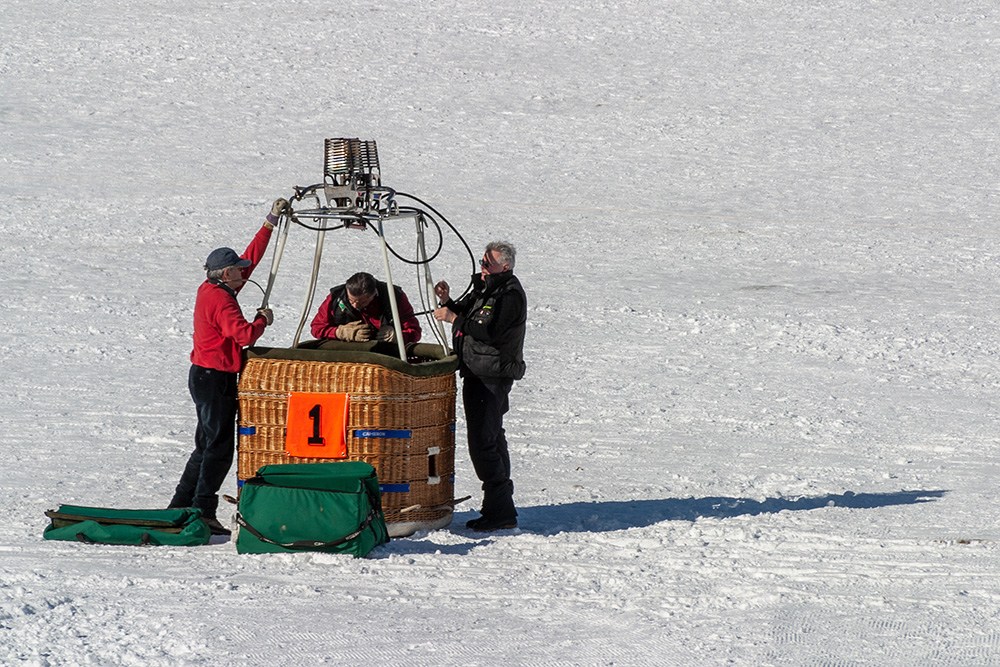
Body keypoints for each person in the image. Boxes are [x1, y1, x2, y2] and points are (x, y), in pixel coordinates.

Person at [168, 199, 285, 536]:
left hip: (204, 376)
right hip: (215, 379)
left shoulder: (214, 288)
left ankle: (180, 505)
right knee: (218, 448)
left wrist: (270, 223)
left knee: (205, 444)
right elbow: (243, 334)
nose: (243, 272)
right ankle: (203, 510)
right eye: (238, 270)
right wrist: (263, 320)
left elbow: (253, 257)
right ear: (226, 274)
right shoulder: (221, 299)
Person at [434, 241, 526, 532]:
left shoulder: (509, 294)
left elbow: (489, 331)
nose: (482, 267)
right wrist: (448, 302)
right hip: (478, 372)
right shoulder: (488, 288)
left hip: (491, 376)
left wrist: (454, 318)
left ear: (505, 266)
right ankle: (498, 507)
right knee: (492, 438)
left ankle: (501, 511)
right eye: (482, 262)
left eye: (488, 263)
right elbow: (470, 314)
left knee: (483, 443)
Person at [310, 271, 421, 344]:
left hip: (385, 358)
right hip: (347, 358)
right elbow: (316, 328)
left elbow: (415, 332)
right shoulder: (336, 297)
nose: (355, 305)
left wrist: (397, 337)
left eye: (362, 302)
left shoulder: (394, 297)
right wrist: (340, 332)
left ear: (373, 294)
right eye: (351, 300)